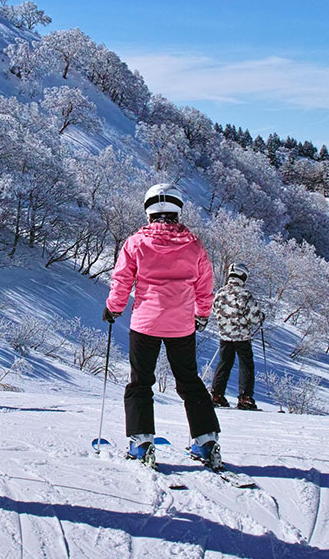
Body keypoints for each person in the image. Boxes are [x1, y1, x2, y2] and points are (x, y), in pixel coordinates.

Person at [104, 184, 220, 469]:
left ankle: (142, 442)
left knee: (140, 381)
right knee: (190, 382)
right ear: (177, 210)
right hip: (181, 325)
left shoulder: (136, 243)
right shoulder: (193, 244)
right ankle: (205, 442)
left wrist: (113, 308)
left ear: (148, 211)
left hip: (146, 323)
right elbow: (205, 285)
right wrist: (201, 313)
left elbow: (122, 280)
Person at [210, 263, 266, 411]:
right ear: (243, 276)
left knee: (224, 364)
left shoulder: (220, 293)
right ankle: (245, 398)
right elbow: (254, 318)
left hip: (225, 336)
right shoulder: (245, 295)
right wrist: (261, 317)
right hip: (242, 336)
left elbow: (215, 311)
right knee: (246, 365)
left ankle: (216, 395)